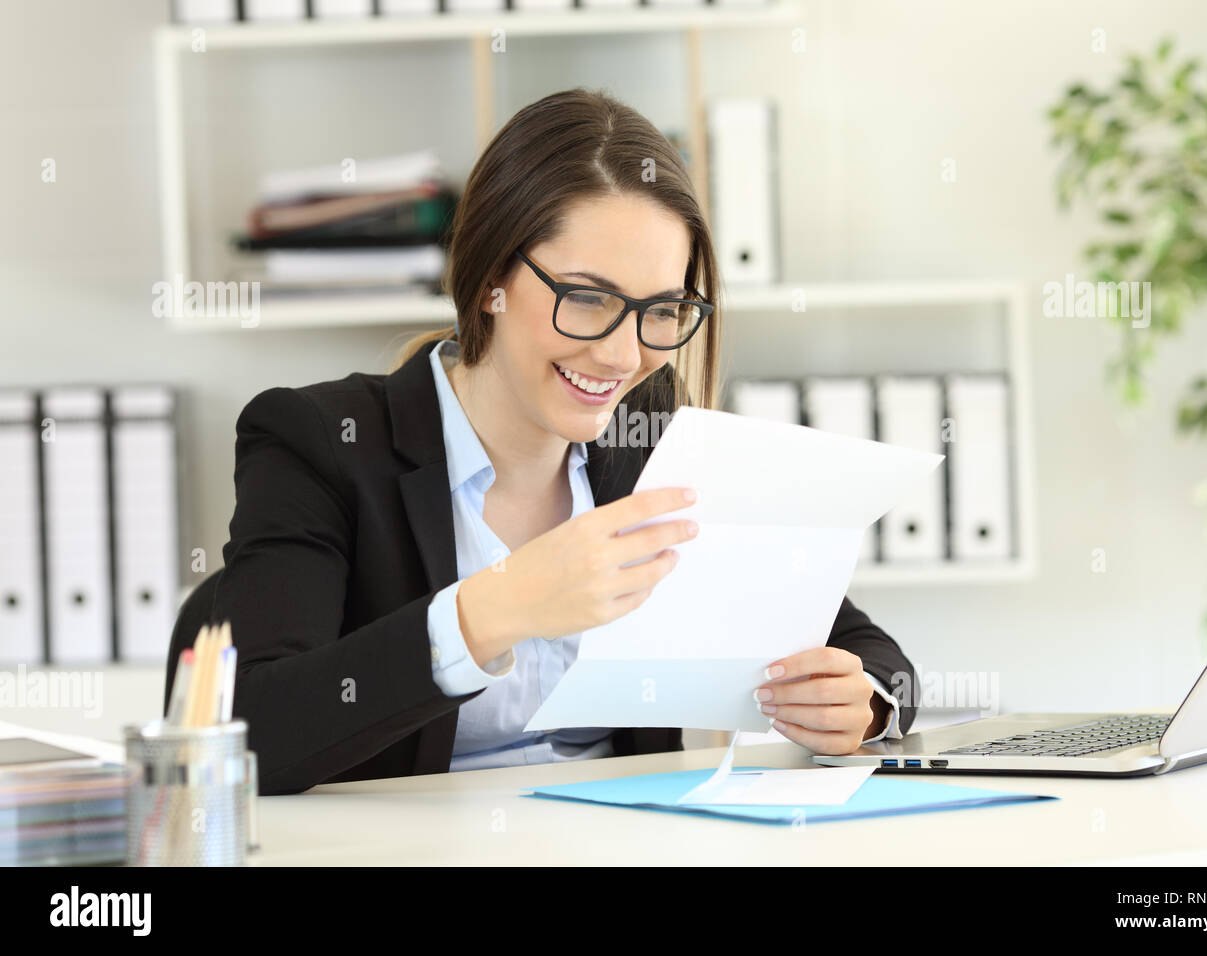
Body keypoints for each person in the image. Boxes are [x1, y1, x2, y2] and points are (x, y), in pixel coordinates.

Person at [208, 88, 917, 795]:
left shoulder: (655, 437)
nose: (621, 355)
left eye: (662, 310)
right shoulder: (319, 443)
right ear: (491, 279)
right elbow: (251, 732)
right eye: (585, 298)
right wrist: (501, 605)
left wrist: (866, 705)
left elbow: (871, 654)